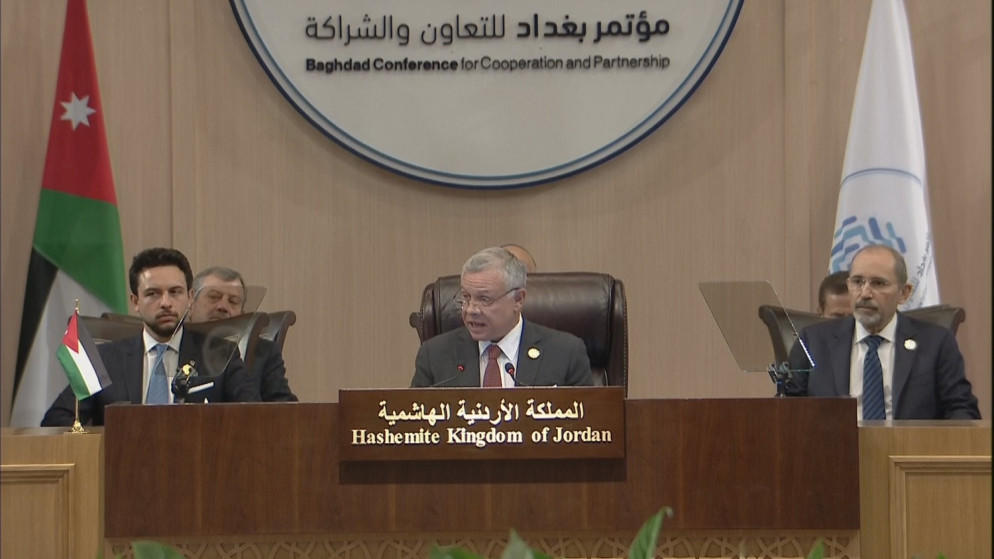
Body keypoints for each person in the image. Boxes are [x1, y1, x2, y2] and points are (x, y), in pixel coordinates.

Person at [41, 248, 259, 426]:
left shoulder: (221, 355)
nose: (165, 303)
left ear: (190, 297)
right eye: (153, 294)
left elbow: (255, 417)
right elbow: (57, 420)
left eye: (175, 292)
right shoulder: (103, 359)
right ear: (135, 301)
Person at [786, 245, 980, 419]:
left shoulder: (936, 342)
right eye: (857, 282)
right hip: (834, 446)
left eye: (878, 283)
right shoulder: (813, 341)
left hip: (909, 447)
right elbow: (787, 409)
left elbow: (961, 409)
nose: (865, 293)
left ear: (904, 293)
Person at [411, 247, 591, 387]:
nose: (471, 310)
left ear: (518, 299)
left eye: (484, 299)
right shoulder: (434, 355)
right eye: (466, 297)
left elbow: (589, 420)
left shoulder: (566, 353)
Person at [189, 266, 297, 401]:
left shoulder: (263, 352)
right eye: (214, 297)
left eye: (233, 301)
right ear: (191, 302)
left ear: (242, 312)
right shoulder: (175, 344)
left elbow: (283, 405)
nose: (223, 307)